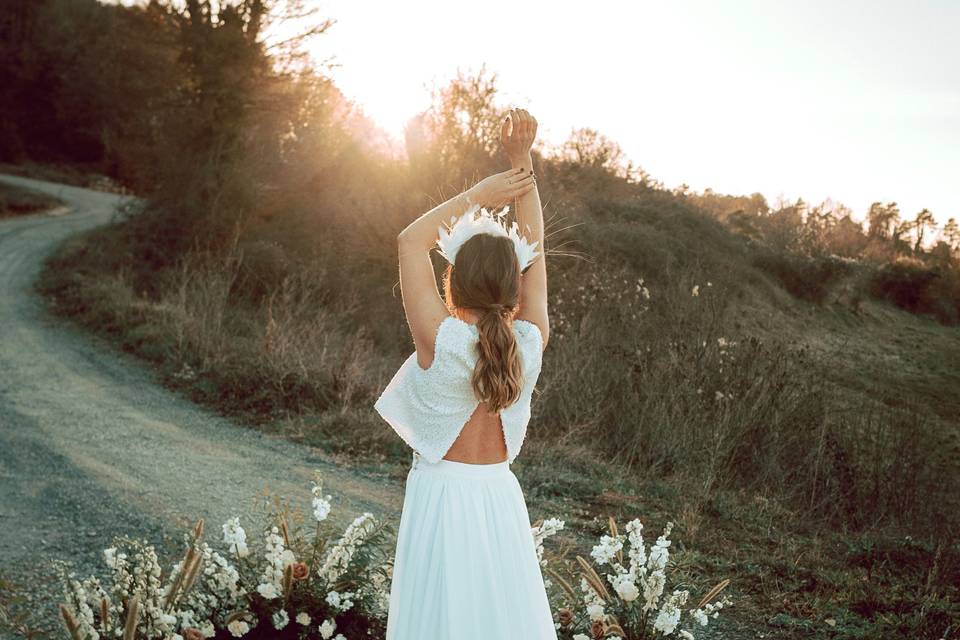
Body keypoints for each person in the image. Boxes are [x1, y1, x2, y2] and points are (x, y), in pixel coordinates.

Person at [373, 107, 556, 638]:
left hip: (442, 500)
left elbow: (410, 239)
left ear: (451, 281)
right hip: (499, 497)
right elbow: (536, 250)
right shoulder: (528, 342)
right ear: (514, 288)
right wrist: (523, 165)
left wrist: (480, 192)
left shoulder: (444, 339)